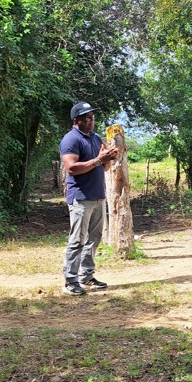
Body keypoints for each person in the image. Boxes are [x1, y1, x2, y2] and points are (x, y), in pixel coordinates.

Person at [60, 102, 118, 296]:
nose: (91, 120)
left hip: (97, 196)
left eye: (92, 117)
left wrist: (108, 159)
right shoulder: (71, 139)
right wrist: (98, 160)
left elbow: (103, 168)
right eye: (87, 117)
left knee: (94, 238)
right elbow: (72, 167)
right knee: (77, 240)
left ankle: (87, 275)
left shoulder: (95, 138)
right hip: (81, 198)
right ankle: (70, 280)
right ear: (76, 120)